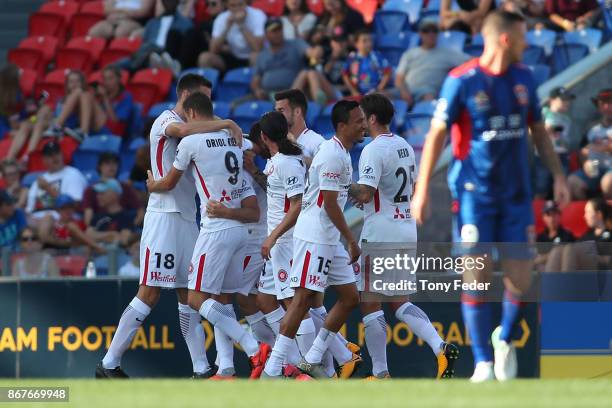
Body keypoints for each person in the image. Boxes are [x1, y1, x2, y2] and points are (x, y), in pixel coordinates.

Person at [411, 10, 570, 382]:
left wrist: (559, 175)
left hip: (516, 196)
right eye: (522, 36)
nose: (527, 43)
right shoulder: (461, 81)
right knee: (476, 277)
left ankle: (505, 337)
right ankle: (482, 362)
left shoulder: (524, 79)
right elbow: (435, 136)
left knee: (521, 278)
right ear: (504, 39)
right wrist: (421, 189)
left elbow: (539, 131)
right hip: (473, 196)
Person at [95, 74, 242, 379]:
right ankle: (109, 363)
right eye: (202, 97)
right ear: (186, 95)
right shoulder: (165, 119)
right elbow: (185, 129)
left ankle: (201, 368)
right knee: (149, 292)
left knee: (190, 294)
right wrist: (227, 123)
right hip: (163, 216)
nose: (207, 106)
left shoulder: (200, 129)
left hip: (188, 217)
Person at [145, 91, 270, 378]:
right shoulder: (235, 140)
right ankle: (225, 368)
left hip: (216, 228)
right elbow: (258, 148)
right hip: (242, 229)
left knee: (195, 298)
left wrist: (152, 184)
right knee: (221, 298)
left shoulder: (189, 142)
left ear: (189, 113)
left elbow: (168, 183)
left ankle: (253, 347)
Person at [348, 93, 459, 379]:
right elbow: (386, 189)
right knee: (400, 300)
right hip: (405, 227)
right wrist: (368, 196)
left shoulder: (373, 150)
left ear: (372, 118)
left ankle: (381, 372)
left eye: (363, 116)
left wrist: (341, 181)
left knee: (370, 301)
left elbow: (367, 191)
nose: (361, 122)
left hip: (381, 230)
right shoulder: (406, 146)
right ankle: (439, 346)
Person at [262, 99, 364, 378]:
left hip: (328, 238)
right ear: (342, 126)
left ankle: (315, 355)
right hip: (315, 236)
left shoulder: (339, 153)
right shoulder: (332, 154)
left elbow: (336, 195)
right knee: (303, 299)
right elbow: (330, 203)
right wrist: (351, 239)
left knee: (350, 297)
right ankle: (273, 368)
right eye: (358, 121)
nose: (364, 125)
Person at [394, 20, 470, 105]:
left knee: (429, 99)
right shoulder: (409, 54)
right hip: (407, 90)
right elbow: (399, 79)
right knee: (381, 96)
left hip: (428, 92)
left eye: (434, 31)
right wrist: (404, 92)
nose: (430, 34)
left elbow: (470, 61)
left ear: (438, 34)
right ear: (420, 33)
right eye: (426, 31)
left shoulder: (447, 53)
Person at [115, 0, 194, 76]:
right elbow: (144, 43)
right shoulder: (152, 22)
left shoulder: (186, 23)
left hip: (167, 54)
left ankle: (134, 66)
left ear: (177, 2)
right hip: (149, 53)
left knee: (147, 50)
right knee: (115, 66)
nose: (169, 2)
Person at [2, 64, 54, 161]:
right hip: (7, 128)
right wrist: (29, 115)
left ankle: (25, 157)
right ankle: (12, 159)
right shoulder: (9, 98)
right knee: (28, 124)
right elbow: (15, 125)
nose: (21, 78)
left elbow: (31, 115)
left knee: (44, 110)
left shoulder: (19, 92)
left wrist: (32, 113)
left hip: (29, 122)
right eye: (19, 76)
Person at [197, 0, 266, 72]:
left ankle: (254, 82)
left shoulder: (258, 15)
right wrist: (227, 27)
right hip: (232, 56)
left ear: (246, 4)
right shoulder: (221, 18)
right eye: (233, 5)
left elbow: (258, 48)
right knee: (204, 58)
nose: (237, 8)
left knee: (255, 56)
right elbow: (213, 50)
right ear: (227, 6)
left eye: (240, 5)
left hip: (251, 56)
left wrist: (241, 25)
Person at [25, 141, 88, 220]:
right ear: (44, 160)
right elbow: (29, 210)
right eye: (50, 155)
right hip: (37, 219)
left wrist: (48, 188)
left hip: (62, 219)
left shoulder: (73, 174)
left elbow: (75, 205)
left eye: (57, 153)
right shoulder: (39, 180)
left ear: (62, 154)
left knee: (47, 219)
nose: (55, 157)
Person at [568, 89, 612, 200]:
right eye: (603, 104)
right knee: (572, 181)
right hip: (595, 166)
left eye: (610, 103)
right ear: (598, 106)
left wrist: (595, 147)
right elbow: (582, 150)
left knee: (608, 182)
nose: (607, 107)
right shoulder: (591, 126)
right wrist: (586, 162)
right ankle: (591, 210)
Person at [251, 18, 310, 100]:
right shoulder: (262, 54)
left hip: (294, 93)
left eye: (280, 30)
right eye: (274, 31)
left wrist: (315, 51)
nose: (278, 33)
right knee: (237, 105)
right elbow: (256, 77)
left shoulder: (295, 44)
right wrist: (257, 90)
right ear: (266, 34)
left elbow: (309, 51)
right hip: (268, 95)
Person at [82, 152, 144, 226]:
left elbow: (140, 210)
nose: (111, 166)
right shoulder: (90, 190)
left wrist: (131, 227)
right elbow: (88, 219)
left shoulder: (125, 187)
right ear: (99, 166)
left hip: (123, 226)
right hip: (101, 227)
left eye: (115, 163)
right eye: (107, 163)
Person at [534, 87, 574, 199]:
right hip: (544, 156)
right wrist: (546, 129)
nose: (567, 102)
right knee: (541, 187)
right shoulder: (543, 113)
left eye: (568, 100)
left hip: (562, 156)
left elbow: (564, 139)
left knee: (561, 188)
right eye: (563, 99)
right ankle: (538, 212)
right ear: (552, 100)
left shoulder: (567, 119)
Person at [45, 71, 106, 140]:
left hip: (96, 131)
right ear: (67, 85)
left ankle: (59, 126)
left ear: (82, 83)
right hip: (69, 132)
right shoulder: (60, 100)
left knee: (82, 93)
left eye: (77, 81)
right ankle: (57, 127)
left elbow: (100, 121)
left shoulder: (87, 96)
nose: (74, 84)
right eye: (71, 81)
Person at [38, 194, 105, 254]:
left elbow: (82, 241)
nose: (67, 211)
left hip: (73, 252)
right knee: (47, 218)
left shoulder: (79, 223)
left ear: (73, 208)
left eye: (70, 207)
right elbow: (44, 237)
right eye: (63, 208)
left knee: (71, 226)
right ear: (58, 210)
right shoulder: (53, 224)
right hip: (54, 251)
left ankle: (98, 247)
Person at [274, 89, 324, 164]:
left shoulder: (317, 142)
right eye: (276, 111)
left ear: (297, 112)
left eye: (281, 110)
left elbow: (325, 169)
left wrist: (294, 154)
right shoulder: (277, 143)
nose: (276, 115)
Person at [86, 179, 137, 248]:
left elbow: (123, 240)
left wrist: (97, 236)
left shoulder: (127, 217)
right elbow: (88, 236)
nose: (98, 196)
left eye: (102, 193)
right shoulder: (97, 216)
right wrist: (111, 234)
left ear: (114, 194)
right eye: (98, 194)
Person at [342, 30, 391, 97]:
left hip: (376, 93)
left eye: (370, 40)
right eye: (364, 41)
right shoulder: (352, 57)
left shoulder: (377, 56)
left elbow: (387, 72)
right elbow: (345, 74)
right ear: (356, 44)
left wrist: (379, 89)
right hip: (358, 93)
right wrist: (353, 91)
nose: (369, 43)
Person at [93, 66, 135, 138]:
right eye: (105, 79)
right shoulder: (98, 96)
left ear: (118, 79)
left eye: (110, 78)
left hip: (114, 133)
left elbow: (115, 122)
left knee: (86, 97)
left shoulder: (126, 97)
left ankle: (82, 132)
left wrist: (105, 98)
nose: (107, 82)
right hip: (97, 129)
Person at [88, 0, 156, 40]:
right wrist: (125, 12)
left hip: (135, 20)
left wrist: (119, 12)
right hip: (113, 19)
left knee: (121, 32)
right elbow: (107, 9)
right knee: (95, 31)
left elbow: (143, 12)